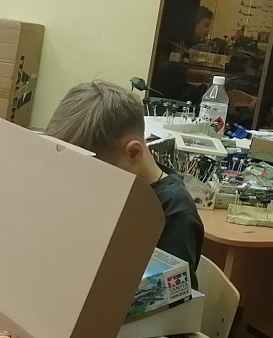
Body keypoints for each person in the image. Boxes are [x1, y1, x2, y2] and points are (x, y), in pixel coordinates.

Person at [43, 80, 203, 281]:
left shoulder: (175, 210)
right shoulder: (114, 188)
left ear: (133, 153)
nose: (83, 184)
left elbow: (173, 294)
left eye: (93, 173)